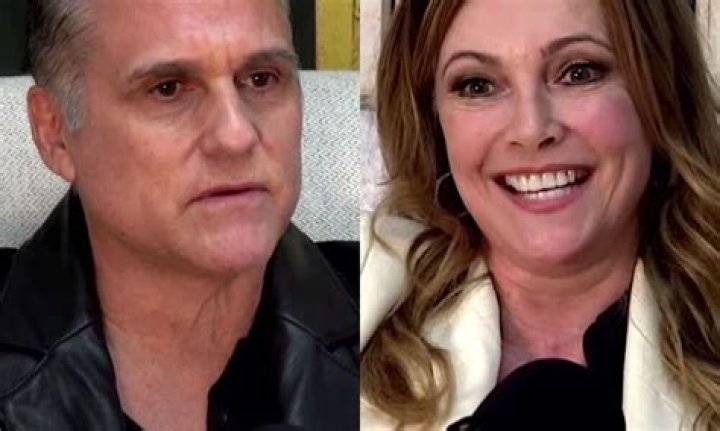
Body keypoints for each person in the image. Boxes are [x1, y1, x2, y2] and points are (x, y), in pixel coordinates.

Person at [360, 0, 720, 429]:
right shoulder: (358, 297)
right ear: (432, 119)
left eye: (579, 72)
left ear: (662, 94)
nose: (531, 129)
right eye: (478, 85)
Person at [0, 0, 358, 430]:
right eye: (167, 89)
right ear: (54, 132)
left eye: (262, 79)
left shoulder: (385, 303)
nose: (236, 135)